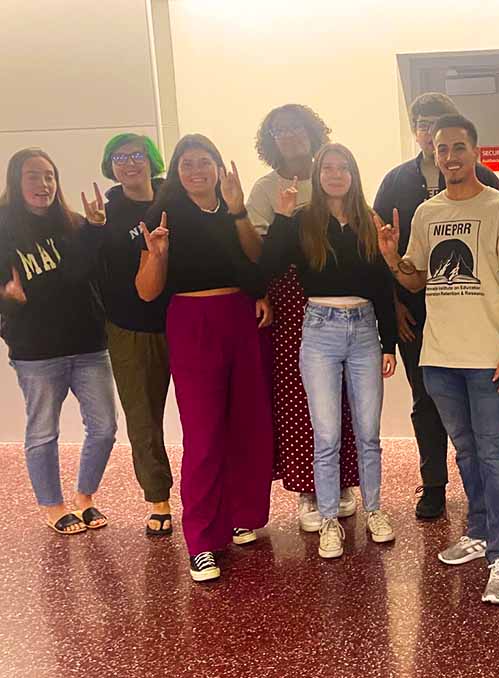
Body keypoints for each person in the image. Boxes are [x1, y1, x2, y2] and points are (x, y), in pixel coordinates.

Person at [377, 114, 499, 605]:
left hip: (488, 356)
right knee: (465, 451)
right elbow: (417, 279)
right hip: (438, 357)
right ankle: (480, 531)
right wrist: (389, 258)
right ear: (434, 153)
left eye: (460, 147)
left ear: (476, 149)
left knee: (494, 453)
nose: (451, 157)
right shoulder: (427, 213)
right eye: (443, 149)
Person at [135, 134, 273, 582]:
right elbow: (147, 290)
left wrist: (237, 209)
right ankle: (201, 541)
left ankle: (239, 515)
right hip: (192, 321)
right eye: (187, 163)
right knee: (203, 433)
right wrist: (157, 255)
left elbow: (256, 262)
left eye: (205, 161)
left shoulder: (233, 207)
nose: (196, 170)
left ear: (219, 167)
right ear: (176, 171)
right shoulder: (163, 215)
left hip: (239, 318)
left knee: (246, 424)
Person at [260, 143, 398, 559]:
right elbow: (268, 267)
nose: (336, 175)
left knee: (368, 433)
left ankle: (374, 510)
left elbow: (380, 286)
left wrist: (387, 343)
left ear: (354, 175)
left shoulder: (367, 222)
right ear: (318, 176)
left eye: (344, 168)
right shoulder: (303, 221)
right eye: (329, 168)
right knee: (327, 435)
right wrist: (283, 217)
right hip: (319, 330)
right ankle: (328, 521)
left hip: (363, 331)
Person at [374, 92, 499, 520]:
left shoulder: (485, 177)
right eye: (422, 124)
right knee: (426, 403)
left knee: (481, 424)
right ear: (416, 131)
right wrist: (394, 308)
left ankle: (484, 504)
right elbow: (382, 250)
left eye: (438, 123)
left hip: (473, 313)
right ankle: (433, 483)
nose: (431, 133)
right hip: (416, 314)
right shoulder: (395, 181)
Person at [247, 104, 359, 530]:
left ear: (313, 133)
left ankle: (344, 480)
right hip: (292, 297)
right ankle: (309, 489)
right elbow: (262, 253)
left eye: (296, 128)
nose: (289, 135)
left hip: (340, 295)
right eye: (279, 130)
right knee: (299, 392)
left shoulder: (332, 175)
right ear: (270, 139)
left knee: (343, 390)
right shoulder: (265, 189)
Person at [0, 148, 117, 535]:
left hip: (87, 345)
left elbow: (94, 274)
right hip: (37, 352)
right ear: (17, 181)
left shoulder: (76, 224)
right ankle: (53, 505)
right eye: (33, 176)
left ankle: (85, 497)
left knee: (104, 428)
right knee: (42, 432)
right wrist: (8, 307)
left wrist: (98, 230)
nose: (43, 184)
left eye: (49, 176)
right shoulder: (3, 229)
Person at [96, 133, 173, 536]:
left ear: (151, 159)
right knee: (143, 417)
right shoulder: (105, 215)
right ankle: (158, 497)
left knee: (204, 413)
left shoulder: (173, 199)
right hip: (130, 327)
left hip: (183, 319)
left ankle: (210, 494)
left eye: (137, 155)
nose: (129, 163)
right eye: (120, 157)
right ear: (111, 166)